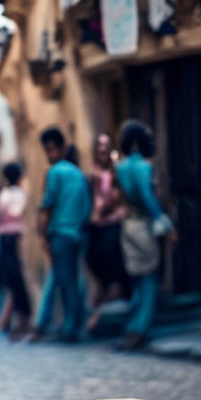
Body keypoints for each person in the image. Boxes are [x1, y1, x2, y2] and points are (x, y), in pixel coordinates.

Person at [114, 120, 176, 350]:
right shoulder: (143, 167)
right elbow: (148, 198)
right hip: (143, 226)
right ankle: (139, 329)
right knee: (149, 278)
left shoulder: (120, 168)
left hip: (128, 226)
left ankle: (132, 326)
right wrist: (166, 224)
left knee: (138, 279)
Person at [30, 127, 91, 343]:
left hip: (60, 234)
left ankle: (70, 329)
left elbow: (48, 206)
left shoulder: (54, 172)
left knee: (66, 284)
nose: (50, 155)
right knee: (72, 281)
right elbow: (86, 206)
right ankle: (70, 324)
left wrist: (43, 235)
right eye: (48, 150)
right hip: (77, 233)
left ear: (62, 149)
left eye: (53, 150)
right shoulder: (78, 174)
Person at [85, 133, 129, 331]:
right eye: (99, 147)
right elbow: (92, 207)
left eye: (106, 146)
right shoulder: (91, 177)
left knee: (115, 277)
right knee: (100, 279)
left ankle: (107, 319)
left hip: (112, 230)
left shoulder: (117, 174)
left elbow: (120, 202)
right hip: (96, 233)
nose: (102, 151)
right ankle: (98, 317)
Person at [0, 162, 30, 337]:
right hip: (9, 237)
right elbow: (15, 211)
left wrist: (3, 211)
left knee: (14, 278)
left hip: (10, 237)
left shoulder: (6, 193)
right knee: (13, 278)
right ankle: (13, 320)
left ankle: (14, 320)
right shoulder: (15, 193)